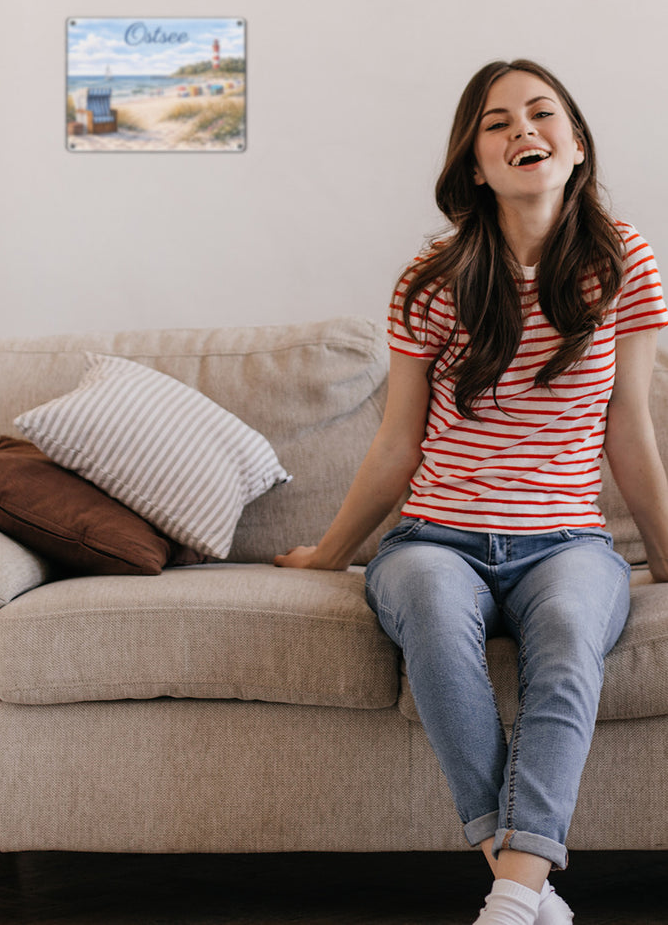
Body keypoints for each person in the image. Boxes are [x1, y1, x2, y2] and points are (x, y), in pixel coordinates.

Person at [275, 59, 668, 925]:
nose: (522, 130)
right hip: (433, 539)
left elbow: (628, 429)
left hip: (567, 544)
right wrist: (331, 554)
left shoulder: (624, 262)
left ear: (575, 148)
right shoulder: (432, 277)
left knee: (569, 632)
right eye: (497, 122)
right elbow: (397, 443)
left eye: (541, 114)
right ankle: (525, 887)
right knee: (430, 615)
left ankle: (512, 896)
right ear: (475, 164)